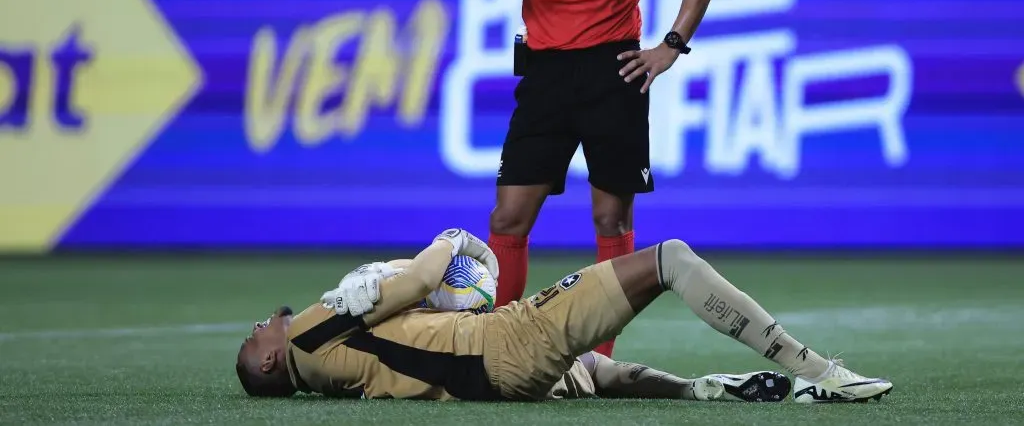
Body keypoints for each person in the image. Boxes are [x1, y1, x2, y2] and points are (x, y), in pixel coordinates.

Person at [436, 0, 722, 358]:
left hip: (613, 73)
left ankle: (598, 361)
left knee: (610, 219)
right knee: (506, 217)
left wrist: (670, 46)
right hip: (545, 79)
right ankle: (496, 352)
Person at [235, 228, 893, 404]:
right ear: (269, 359)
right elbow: (430, 275)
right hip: (500, 343)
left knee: (596, 370)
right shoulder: (306, 332)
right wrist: (455, 238)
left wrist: (403, 286)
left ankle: (697, 387)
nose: (266, 321)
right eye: (253, 334)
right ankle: (819, 368)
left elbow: (414, 309)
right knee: (669, 258)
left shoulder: (330, 367)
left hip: (490, 380)